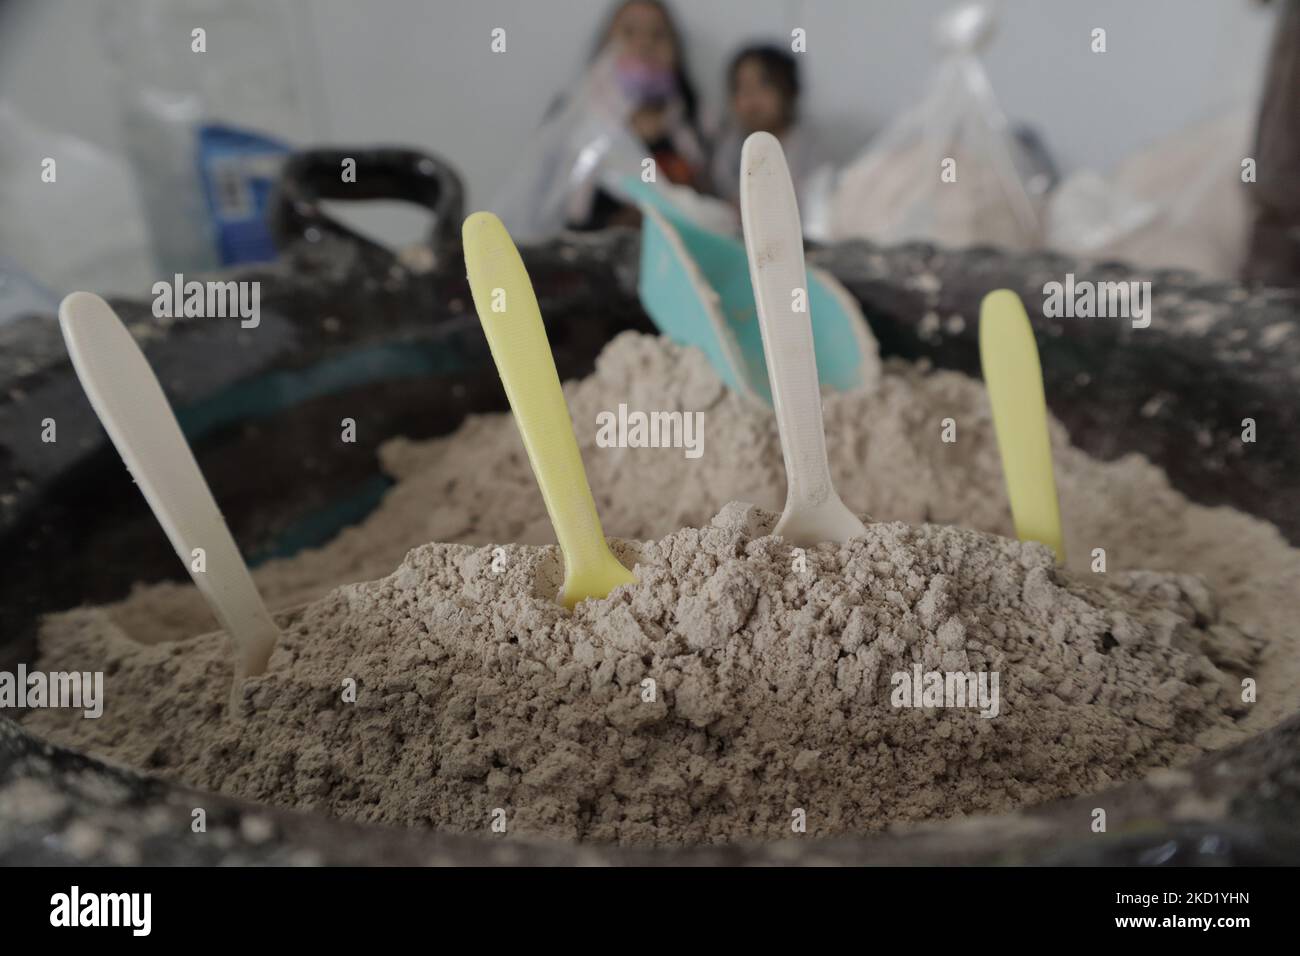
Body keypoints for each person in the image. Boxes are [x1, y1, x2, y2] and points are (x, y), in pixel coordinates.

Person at [573, 0, 710, 230]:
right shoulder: (575, 126)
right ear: (605, 45)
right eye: (629, 32)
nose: (645, 44)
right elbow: (555, 213)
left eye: (658, 35)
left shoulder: (699, 125)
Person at [710, 44, 815, 206]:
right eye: (741, 87)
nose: (751, 97)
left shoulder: (809, 146)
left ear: (789, 90)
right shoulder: (729, 147)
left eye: (763, 85)